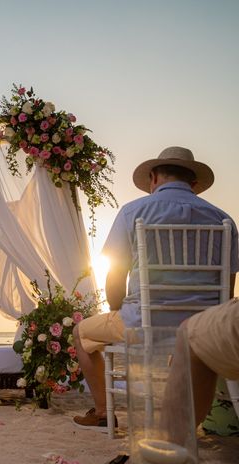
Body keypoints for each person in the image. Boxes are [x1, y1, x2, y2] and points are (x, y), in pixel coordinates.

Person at [72, 146, 239, 431]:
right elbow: (229, 285)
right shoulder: (224, 220)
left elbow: (115, 276)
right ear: (194, 183)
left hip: (144, 323)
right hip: (201, 329)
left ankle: (102, 411)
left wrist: (117, 310)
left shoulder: (133, 212)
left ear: (153, 178)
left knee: (80, 333)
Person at [101, 298, 239, 464]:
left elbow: (115, 294)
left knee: (189, 333)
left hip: (144, 320)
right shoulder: (229, 266)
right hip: (206, 305)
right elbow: (226, 293)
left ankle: (162, 462)